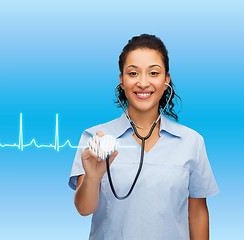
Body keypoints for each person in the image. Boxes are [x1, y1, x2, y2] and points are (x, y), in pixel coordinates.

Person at [68, 34, 219, 240]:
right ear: (122, 81)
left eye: (153, 73)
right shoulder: (95, 138)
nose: (143, 82)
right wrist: (93, 177)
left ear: (166, 80)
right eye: (133, 73)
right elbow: (84, 209)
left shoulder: (192, 142)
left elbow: (198, 214)